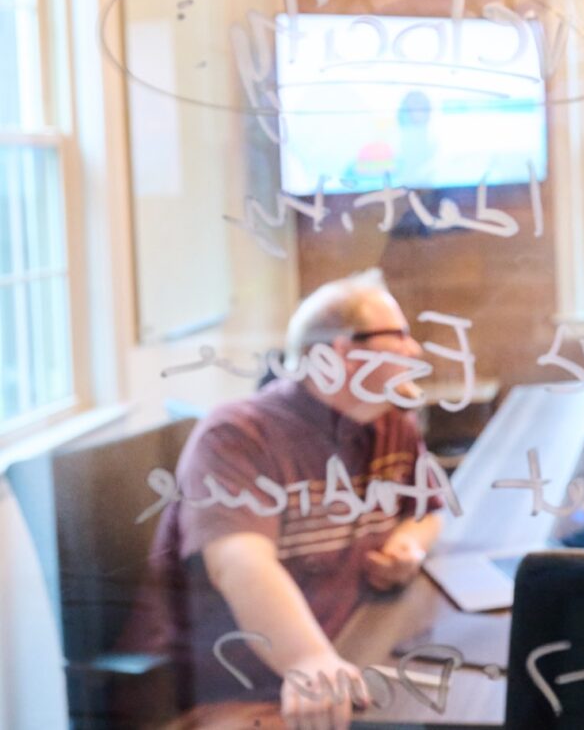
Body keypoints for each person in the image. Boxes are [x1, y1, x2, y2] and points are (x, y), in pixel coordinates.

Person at [126, 269, 445, 729]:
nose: (415, 351)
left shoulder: (391, 421)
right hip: (243, 693)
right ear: (343, 353)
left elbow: (425, 511)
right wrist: (308, 660)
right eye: (400, 336)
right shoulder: (237, 436)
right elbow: (239, 562)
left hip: (351, 655)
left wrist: (409, 545)